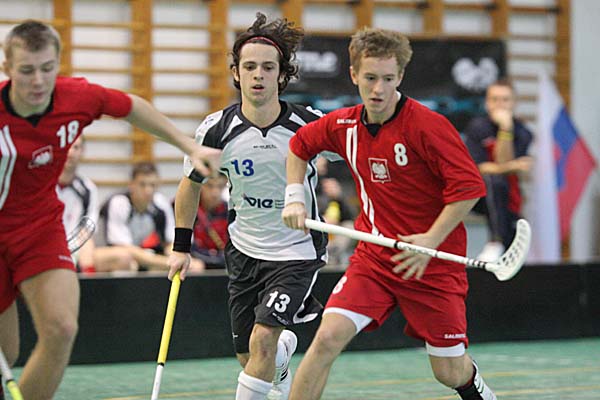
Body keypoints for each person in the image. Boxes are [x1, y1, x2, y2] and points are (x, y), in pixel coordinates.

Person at [0, 20, 218, 399]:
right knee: (7, 353)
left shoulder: (75, 97)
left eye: (47, 68)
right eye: (27, 70)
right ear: (7, 68)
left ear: (58, 63)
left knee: (62, 329)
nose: (38, 81)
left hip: (39, 228)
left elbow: (132, 107)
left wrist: (190, 146)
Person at [282, 28, 497, 400]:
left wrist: (429, 241)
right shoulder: (343, 125)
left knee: (448, 372)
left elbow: (470, 188)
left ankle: (475, 385)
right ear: (354, 75)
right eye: (370, 78)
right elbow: (299, 147)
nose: (378, 89)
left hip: (433, 264)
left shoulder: (429, 126)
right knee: (327, 337)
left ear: (400, 76)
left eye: (387, 78)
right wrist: (294, 197)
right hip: (375, 259)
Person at [167, 12, 334, 400]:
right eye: (250, 66)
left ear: (282, 75)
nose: (259, 75)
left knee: (262, 340)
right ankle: (282, 356)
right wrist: (180, 247)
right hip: (244, 250)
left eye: (268, 67)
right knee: (249, 356)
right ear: (237, 73)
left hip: (296, 252)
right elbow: (189, 186)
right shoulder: (216, 129)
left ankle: (274, 350)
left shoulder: (309, 125)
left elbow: (357, 154)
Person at [463, 79, 533, 262]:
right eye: (494, 99)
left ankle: (503, 246)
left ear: (514, 103)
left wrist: (505, 129)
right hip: (477, 196)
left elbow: (503, 162)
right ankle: (496, 240)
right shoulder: (477, 127)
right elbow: (479, 168)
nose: (499, 105)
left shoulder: (523, 132)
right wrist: (511, 166)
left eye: (505, 99)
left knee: (501, 185)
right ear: (487, 102)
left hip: (507, 197)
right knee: (493, 180)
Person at [95, 161, 204, 272]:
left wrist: (179, 258)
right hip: (102, 254)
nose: (148, 191)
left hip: (140, 256)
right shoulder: (119, 203)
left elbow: (171, 243)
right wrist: (166, 263)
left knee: (194, 265)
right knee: (125, 260)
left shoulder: (160, 203)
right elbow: (125, 248)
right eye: (142, 185)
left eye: (152, 185)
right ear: (131, 185)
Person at [57, 135, 98, 273]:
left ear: (82, 151)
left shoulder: (88, 189)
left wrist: (70, 250)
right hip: (45, 246)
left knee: (123, 259)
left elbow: (88, 228)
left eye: (76, 147)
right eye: (67, 146)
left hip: (76, 248)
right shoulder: (43, 185)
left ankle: (87, 284)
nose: (70, 152)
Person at [189, 174, 229, 269]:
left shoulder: (229, 211)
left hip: (224, 263)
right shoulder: (189, 210)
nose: (215, 192)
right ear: (200, 185)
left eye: (220, 186)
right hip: (196, 263)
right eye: (209, 186)